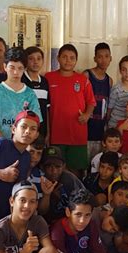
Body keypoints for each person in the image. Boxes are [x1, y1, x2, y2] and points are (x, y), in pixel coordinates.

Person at [45, 44, 96, 177]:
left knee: (75, 171)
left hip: (77, 133)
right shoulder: (48, 78)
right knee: (54, 170)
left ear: (76, 60)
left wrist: (86, 115)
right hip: (56, 133)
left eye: (72, 58)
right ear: (58, 58)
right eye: (64, 57)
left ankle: (76, 196)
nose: (68, 61)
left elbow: (91, 102)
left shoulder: (83, 80)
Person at [0, 47, 42, 139]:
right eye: (12, 68)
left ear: (25, 69)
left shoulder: (30, 94)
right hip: (2, 146)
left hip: (23, 146)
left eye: (20, 68)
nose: (16, 72)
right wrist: (4, 145)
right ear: (5, 67)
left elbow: (35, 122)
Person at [40, 146, 85, 223]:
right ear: (42, 167)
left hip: (70, 221)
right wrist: (47, 195)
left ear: (64, 166)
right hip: (46, 223)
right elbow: (41, 212)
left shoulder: (69, 179)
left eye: (57, 166)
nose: (53, 170)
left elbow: (85, 202)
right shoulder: (39, 180)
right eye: (48, 166)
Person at [83, 42, 113, 160]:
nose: (103, 60)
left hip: (101, 128)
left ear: (111, 58)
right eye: (100, 56)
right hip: (87, 127)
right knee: (84, 163)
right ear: (95, 58)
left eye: (106, 56)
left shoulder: (109, 80)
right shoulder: (87, 75)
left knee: (98, 162)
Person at [22, 46, 50, 140]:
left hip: (41, 130)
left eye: (39, 58)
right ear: (25, 61)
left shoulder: (45, 81)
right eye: (31, 59)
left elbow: (46, 109)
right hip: (25, 130)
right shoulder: (21, 80)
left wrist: (48, 133)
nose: (35, 62)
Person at [106, 55, 128, 129]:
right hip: (115, 126)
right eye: (124, 69)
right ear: (120, 71)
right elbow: (109, 110)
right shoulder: (116, 89)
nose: (127, 72)